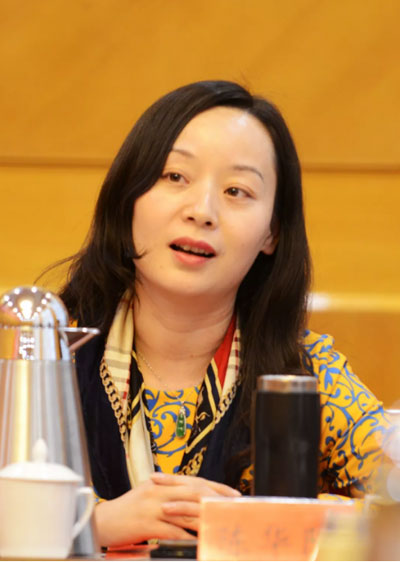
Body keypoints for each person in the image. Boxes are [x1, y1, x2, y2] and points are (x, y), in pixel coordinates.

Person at [57, 80, 391, 546]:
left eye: (237, 190)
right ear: (127, 196)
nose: (202, 211)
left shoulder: (305, 375)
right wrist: (94, 525)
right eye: (175, 177)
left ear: (272, 232)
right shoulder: (51, 354)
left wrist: (257, 522)